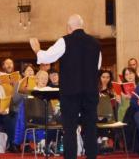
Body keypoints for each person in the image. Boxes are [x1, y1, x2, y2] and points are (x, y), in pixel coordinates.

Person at [29, 14, 101, 159]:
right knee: (91, 129)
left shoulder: (65, 41)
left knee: (69, 130)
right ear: (82, 26)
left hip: (71, 93)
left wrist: (37, 49)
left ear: (69, 28)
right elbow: (97, 67)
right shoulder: (95, 43)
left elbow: (47, 57)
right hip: (90, 93)